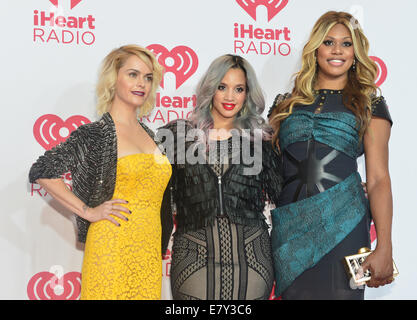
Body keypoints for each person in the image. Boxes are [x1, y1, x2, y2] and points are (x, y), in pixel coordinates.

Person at [268, 11, 394, 300]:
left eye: (346, 44)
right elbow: (270, 170)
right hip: (290, 228)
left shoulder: (369, 103)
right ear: (315, 50)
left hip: (345, 225)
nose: (337, 50)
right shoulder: (285, 105)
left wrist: (384, 245)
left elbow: (377, 178)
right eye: (328, 42)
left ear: (356, 52)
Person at [29, 45, 171, 300]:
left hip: (148, 252)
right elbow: (43, 170)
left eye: (148, 77)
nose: (142, 83)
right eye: (133, 74)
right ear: (113, 78)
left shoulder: (151, 136)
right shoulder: (97, 133)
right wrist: (88, 211)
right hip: (111, 246)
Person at [158, 54, 283, 300]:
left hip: (252, 258)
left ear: (248, 94)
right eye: (222, 87)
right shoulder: (178, 135)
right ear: (210, 89)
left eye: (239, 89)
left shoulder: (261, 140)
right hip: (193, 257)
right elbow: (150, 188)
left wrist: (343, 183)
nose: (229, 97)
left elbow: (286, 192)